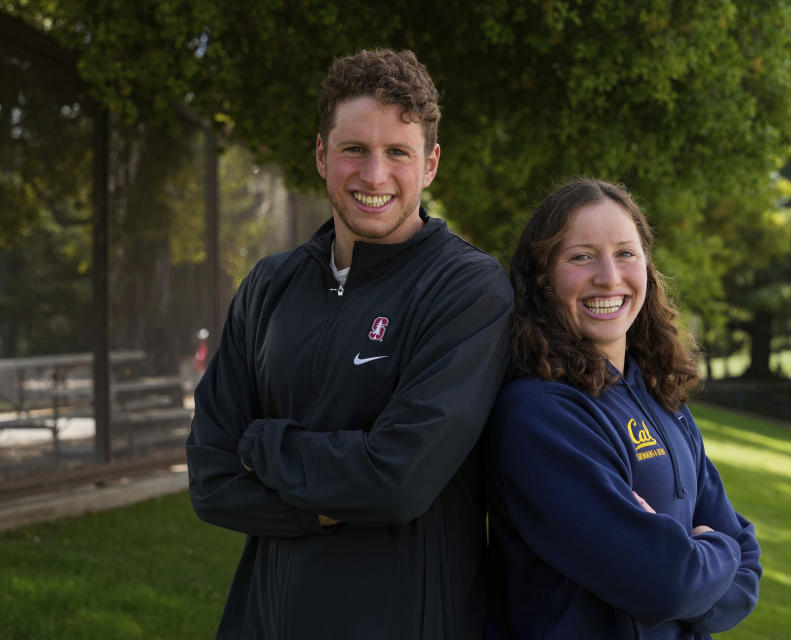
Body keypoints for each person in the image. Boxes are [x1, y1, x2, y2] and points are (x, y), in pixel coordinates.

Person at [186, 49, 513, 639]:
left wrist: (261, 442)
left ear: (431, 164)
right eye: (354, 149)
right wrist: (327, 502)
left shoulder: (467, 288)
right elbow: (210, 479)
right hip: (262, 620)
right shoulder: (269, 284)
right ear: (321, 154)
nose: (374, 175)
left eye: (398, 153)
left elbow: (397, 482)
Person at [483, 178, 761, 639]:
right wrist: (716, 550)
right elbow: (666, 582)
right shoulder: (537, 415)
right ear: (542, 278)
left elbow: (746, 567)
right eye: (581, 256)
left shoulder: (660, 396)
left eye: (625, 253)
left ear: (647, 267)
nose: (609, 278)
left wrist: (698, 566)